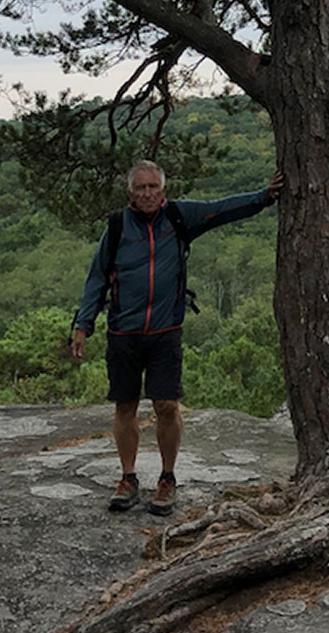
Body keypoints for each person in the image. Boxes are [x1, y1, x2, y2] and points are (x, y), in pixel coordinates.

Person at [69, 159, 283, 514]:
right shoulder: (118, 226)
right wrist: (82, 325)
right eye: (141, 188)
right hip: (123, 332)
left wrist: (265, 196)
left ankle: (167, 478)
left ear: (163, 189)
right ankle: (128, 478)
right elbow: (96, 278)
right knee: (125, 406)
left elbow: (222, 209)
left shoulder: (180, 217)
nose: (148, 193)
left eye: (153, 186)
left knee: (166, 406)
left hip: (165, 331)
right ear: (130, 193)